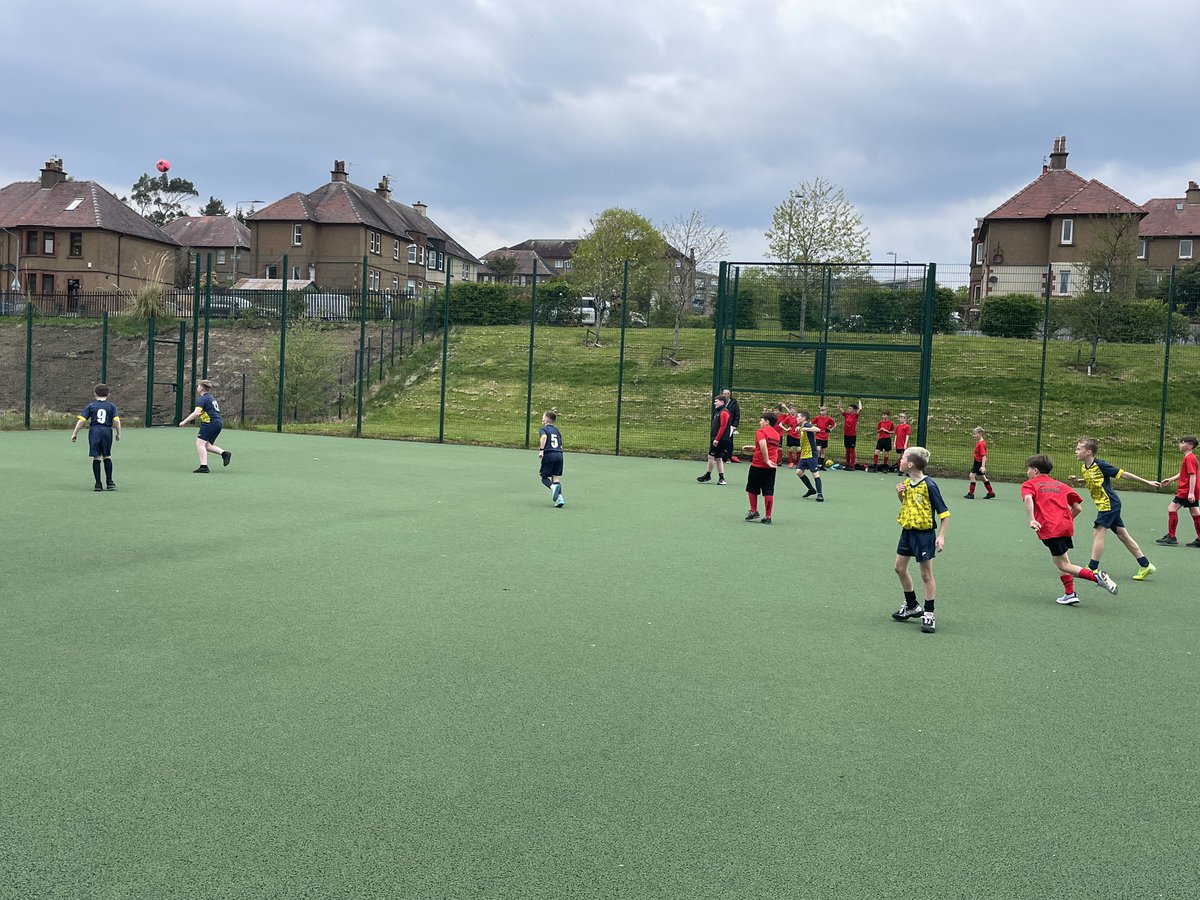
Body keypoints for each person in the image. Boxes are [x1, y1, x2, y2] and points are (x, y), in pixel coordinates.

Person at [1021, 454, 1119, 605]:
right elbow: (1077, 508)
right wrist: (1065, 520)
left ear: (1035, 470)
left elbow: (1028, 499)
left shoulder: (1029, 484)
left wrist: (1032, 519)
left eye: (1028, 469)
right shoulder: (1061, 485)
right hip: (1065, 527)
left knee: (1063, 564)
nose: (1027, 472)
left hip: (1050, 528)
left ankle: (1096, 577)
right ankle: (1069, 593)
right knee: (1060, 558)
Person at [1074, 438, 1157, 580]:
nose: (1076, 451)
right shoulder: (1085, 468)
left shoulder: (1101, 465)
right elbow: (1093, 479)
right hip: (1104, 505)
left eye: (1078, 449)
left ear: (1088, 452)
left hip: (1109, 504)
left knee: (1098, 533)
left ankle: (1092, 568)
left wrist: (1147, 482)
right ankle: (1146, 565)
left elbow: (1123, 474)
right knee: (1123, 536)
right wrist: (1078, 480)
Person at [890, 447, 950, 634]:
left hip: (924, 535)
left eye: (903, 458)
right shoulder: (907, 483)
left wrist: (941, 536)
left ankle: (929, 613)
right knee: (899, 568)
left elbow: (944, 513)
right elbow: (908, 505)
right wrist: (900, 494)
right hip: (907, 532)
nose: (900, 460)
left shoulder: (929, 485)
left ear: (910, 464)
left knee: (925, 574)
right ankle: (912, 606)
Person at [70, 382, 121, 491]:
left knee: (97, 457)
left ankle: (98, 484)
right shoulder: (111, 406)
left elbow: (81, 420)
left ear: (95, 394)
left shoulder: (91, 406)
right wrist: (118, 433)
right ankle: (110, 482)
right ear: (108, 394)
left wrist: (75, 433)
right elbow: (116, 421)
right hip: (107, 431)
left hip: (95, 432)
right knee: (107, 456)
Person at [178, 379, 231, 473]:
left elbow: (197, 413)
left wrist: (184, 421)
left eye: (198, 386)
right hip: (218, 422)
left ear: (201, 388)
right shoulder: (211, 398)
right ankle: (224, 454)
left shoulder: (202, 399)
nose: (197, 388)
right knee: (207, 445)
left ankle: (204, 467)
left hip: (210, 423)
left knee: (200, 444)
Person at [1156, 436, 1200, 547]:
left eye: (1182, 443)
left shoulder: (1189, 458)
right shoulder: (1189, 457)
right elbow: (1184, 473)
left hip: (1186, 490)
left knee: (1172, 508)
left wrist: (1190, 492)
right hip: (1190, 489)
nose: (1179, 445)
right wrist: (1171, 479)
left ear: (1190, 446)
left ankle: (1171, 536)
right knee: (1195, 512)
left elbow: (1193, 475)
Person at [744, 411, 780, 525]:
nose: (760, 422)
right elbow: (768, 447)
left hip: (758, 465)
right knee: (768, 490)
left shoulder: (761, 431)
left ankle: (753, 511)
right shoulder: (776, 434)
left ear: (767, 421)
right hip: (771, 467)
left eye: (761, 420)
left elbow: (763, 444)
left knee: (752, 488)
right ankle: (768, 516)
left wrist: (766, 460)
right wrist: (754, 447)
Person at [698, 396, 732, 485]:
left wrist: (717, 439)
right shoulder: (718, 412)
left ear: (722, 402)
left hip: (720, 439)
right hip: (718, 439)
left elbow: (723, 426)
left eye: (716, 401)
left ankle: (708, 475)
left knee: (711, 456)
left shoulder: (724, 412)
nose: (714, 403)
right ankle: (721, 478)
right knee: (718, 458)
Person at [794, 409, 824, 502]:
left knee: (815, 473)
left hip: (811, 454)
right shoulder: (802, 426)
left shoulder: (807, 425)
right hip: (804, 455)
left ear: (803, 418)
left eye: (798, 417)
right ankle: (811, 489)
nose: (796, 418)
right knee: (799, 472)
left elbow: (818, 429)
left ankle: (820, 494)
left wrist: (803, 429)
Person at [537, 409, 565, 507]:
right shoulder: (557, 431)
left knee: (544, 477)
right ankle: (560, 499)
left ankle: (552, 487)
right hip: (559, 455)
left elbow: (544, 437)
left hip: (549, 454)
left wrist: (541, 450)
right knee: (555, 478)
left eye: (543, 417)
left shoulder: (543, 429)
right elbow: (560, 445)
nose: (542, 419)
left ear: (546, 420)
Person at [964, 426, 995, 499]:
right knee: (983, 477)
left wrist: (983, 466)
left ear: (980, 434)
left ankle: (971, 494)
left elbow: (983, 456)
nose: (974, 436)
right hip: (977, 462)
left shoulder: (981, 444)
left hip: (979, 463)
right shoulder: (980, 442)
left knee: (972, 476)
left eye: (975, 434)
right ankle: (991, 493)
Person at [838, 400, 861, 469]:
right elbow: (838, 407)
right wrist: (841, 399)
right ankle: (847, 463)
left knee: (852, 450)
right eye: (848, 408)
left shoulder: (855, 415)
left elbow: (860, 408)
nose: (848, 409)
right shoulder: (846, 414)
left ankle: (852, 464)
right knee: (847, 449)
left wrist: (859, 400)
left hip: (852, 435)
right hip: (846, 434)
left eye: (850, 408)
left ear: (854, 410)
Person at [812, 405, 837, 469]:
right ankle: (816, 464)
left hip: (825, 437)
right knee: (818, 449)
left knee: (823, 451)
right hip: (818, 436)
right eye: (820, 411)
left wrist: (830, 430)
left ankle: (820, 465)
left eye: (823, 411)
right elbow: (811, 423)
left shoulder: (829, 419)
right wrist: (814, 430)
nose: (821, 412)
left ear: (826, 411)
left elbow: (834, 424)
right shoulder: (817, 418)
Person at [721, 389, 742, 462]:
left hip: (730, 426)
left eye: (726, 394)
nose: (724, 395)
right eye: (723, 393)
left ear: (729, 395)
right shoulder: (721, 402)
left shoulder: (734, 404)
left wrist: (735, 425)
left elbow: (737, 415)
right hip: (721, 425)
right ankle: (720, 456)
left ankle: (728, 457)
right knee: (721, 440)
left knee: (729, 441)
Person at [777, 403, 799, 468]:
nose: (791, 411)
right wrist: (786, 429)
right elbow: (780, 424)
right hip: (790, 435)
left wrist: (800, 427)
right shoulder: (788, 417)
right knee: (790, 449)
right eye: (790, 410)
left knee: (799, 449)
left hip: (797, 435)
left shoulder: (798, 417)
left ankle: (798, 463)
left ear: (796, 410)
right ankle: (790, 463)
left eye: (792, 410)